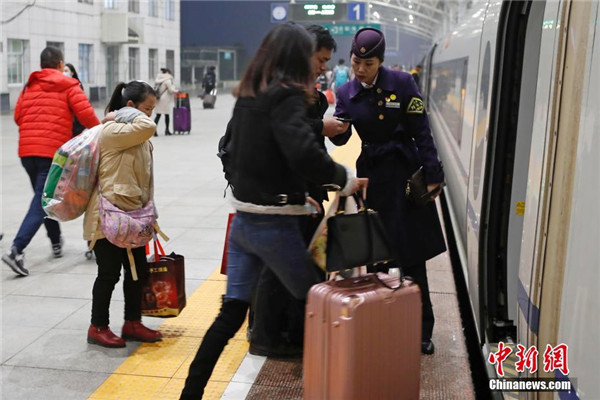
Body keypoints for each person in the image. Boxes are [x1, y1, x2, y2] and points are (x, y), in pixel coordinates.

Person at [179, 23, 367, 399]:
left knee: (230, 315)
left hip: (245, 224)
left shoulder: (251, 93)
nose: (319, 69)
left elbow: (261, 158)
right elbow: (302, 153)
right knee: (321, 302)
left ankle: (190, 395)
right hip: (273, 229)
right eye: (314, 60)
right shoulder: (287, 96)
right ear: (296, 56)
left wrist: (297, 196)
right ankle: (338, 385)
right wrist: (343, 179)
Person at [333, 28, 446, 355]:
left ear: (380, 62)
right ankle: (379, 323)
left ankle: (422, 330)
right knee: (376, 256)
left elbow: (421, 131)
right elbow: (342, 137)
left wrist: (433, 174)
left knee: (412, 258)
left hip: (405, 173)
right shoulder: (345, 92)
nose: (360, 69)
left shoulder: (403, 84)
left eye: (367, 63)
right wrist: (335, 131)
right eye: (356, 61)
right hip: (372, 176)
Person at [248, 24, 351, 358]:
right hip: (281, 193)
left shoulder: (308, 90)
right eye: (320, 59)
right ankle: (265, 337)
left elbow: (310, 142)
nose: (323, 66)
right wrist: (322, 126)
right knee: (276, 269)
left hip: (305, 191)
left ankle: (294, 333)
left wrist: (338, 131)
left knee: (301, 264)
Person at [2, 46, 100, 277]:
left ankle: (56, 241)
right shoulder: (69, 85)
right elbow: (86, 115)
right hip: (51, 154)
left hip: (26, 152)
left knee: (43, 197)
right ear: (59, 63)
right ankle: (17, 249)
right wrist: (102, 131)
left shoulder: (30, 85)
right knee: (42, 201)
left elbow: (18, 117)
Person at [84, 80, 163, 348]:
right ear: (130, 107)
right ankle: (98, 326)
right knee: (109, 273)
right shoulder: (114, 129)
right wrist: (118, 115)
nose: (150, 114)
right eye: (147, 108)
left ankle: (132, 322)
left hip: (133, 215)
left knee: (137, 271)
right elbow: (148, 126)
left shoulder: (134, 132)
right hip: (107, 215)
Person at [63, 63, 88, 136]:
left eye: (66, 71)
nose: (64, 73)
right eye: (63, 71)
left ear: (72, 73)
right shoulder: (61, 85)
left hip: (77, 123)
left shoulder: (77, 86)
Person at [154, 68, 177, 136]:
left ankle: (154, 131)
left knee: (158, 115)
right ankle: (167, 130)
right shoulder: (168, 80)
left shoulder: (158, 79)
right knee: (167, 115)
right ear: (167, 73)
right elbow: (170, 90)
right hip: (165, 99)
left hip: (158, 98)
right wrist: (176, 91)